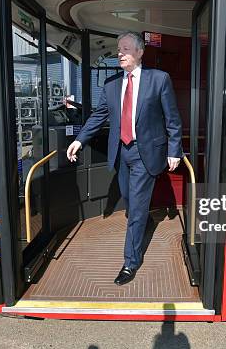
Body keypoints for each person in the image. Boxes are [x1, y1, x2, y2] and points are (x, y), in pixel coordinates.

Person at [66, 31, 183, 285]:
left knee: (137, 208)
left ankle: (130, 262)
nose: (120, 53)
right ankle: (143, 219)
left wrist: (175, 150)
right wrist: (79, 140)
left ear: (140, 52)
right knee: (130, 201)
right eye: (119, 49)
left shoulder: (159, 80)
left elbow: (172, 119)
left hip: (146, 153)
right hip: (121, 152)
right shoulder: (111, 85)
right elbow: (98, 117)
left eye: (126, 49)